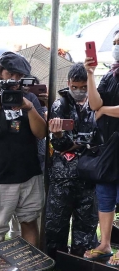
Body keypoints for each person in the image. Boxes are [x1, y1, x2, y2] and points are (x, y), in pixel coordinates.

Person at [0, 52, 47, 248]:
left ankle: (30, 270)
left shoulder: (29, 98)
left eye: (20, 76)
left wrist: (29, 108)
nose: (14, 80)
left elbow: (41, 133)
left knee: (29, 221)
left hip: (29, 173)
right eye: (10, 74)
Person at [45, 63, 98, 258]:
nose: (78, 91)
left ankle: (81, 261)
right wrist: (61, 138)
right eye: (74, 86)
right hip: (62, 175)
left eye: (83, 86)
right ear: (68, 83)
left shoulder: (96, 104)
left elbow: (98, 137)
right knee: (56, 223)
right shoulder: (60, 105)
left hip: (89, 174)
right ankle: (55, 260)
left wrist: (75, 142)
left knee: (86, 224)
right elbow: (60, 144)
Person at [83, 31, 119, 265]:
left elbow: (101, 109)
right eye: (117, 43)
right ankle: (105, 243)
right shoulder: (111, 75)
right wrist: (90, 74)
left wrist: (105, 111)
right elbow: (95, 103)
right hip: (110, 146)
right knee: (105, 193)